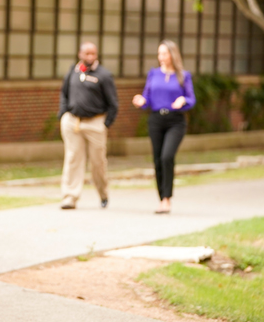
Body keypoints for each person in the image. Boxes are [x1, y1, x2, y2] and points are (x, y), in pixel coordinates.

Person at [132, 40, 196, 214]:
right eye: (159, 54)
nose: (161, 57)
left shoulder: (183, 75)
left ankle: (167, 198)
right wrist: (142, 101)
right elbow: (147, 98)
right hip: (156, 120)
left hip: (176, 121)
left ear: (172, 55)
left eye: (164, 54)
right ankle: (162, 199)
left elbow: (191, 99)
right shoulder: (153, 74)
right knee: (158, 159)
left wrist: (184, 100)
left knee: (167, 156)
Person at [57, 42, 119, 210]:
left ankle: (103, 194)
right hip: (73, 122)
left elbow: (113, 104)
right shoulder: (73, 72)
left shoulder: (104, 75)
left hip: (95, 123)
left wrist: (105, 124)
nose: (90, 57)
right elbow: (64, 93)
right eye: (87, 53)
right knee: (73, 158)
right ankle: (70, 197)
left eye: (93, 54)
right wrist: (63, 114)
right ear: (80, 54)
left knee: (98, 162)